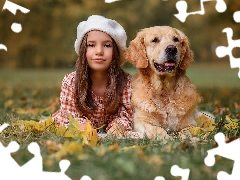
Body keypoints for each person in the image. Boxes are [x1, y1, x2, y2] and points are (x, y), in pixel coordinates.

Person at [52, 15, 133, 136]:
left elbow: (124, 114)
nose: (99, 51)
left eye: (107, 45)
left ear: (115, 52)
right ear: (83, 49)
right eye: (91, 45)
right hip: (80, 126)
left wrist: (118, 125)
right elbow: (69, 117)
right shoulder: (71, 82)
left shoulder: (126, 83)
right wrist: (81, 126)